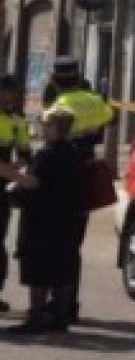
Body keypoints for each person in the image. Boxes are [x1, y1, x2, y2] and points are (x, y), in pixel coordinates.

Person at [39, 58, 113, 327]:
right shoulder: (95, 102)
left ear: (54, 80)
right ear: (79, 78)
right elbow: (109, 120)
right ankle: (69, 304)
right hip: (84, 179)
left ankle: (56, 304)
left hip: (58, 180)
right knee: (73, 244)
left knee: (55, 243)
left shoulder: (57, 107)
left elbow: (48, 134)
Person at [4, 107, 76, 334]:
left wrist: (10, 175)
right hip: (65, 217)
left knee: (37, 268)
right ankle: (59, 317)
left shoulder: (46, 154)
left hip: (40, 218)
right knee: (60, 267)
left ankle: (36, 317)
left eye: (46, 124)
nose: (42, 128)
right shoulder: (73, 152)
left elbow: (33, 182)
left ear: (56, 127)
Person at [0, 75, 26, 314]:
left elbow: (25, 154)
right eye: (6, 93)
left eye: (14, 94)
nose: (11, 98)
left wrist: (15, 168)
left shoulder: (18, 122)